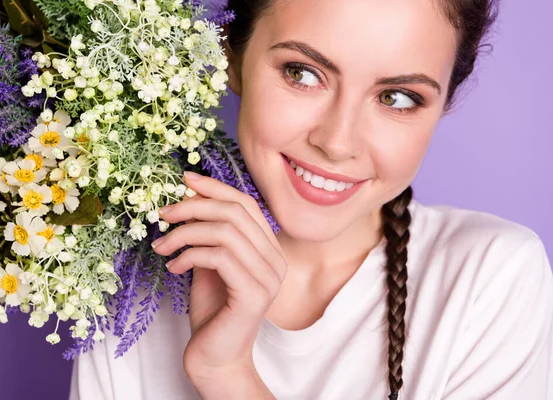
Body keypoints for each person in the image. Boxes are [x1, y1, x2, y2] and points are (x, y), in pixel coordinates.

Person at [69, 0, 553, 399]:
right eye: (302, 73)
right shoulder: (126, 281)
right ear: (231, 59)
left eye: (398, 98)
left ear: (443, 103)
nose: (338, 142)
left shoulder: (490, 278)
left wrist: (228, 375)